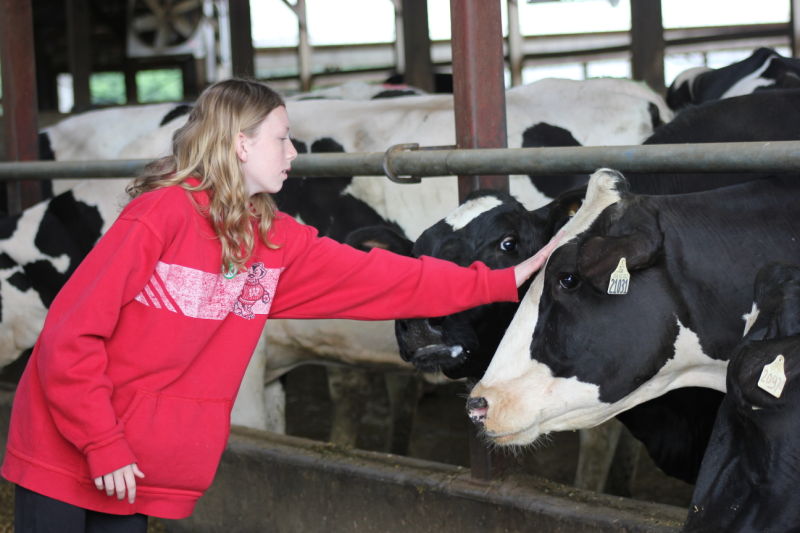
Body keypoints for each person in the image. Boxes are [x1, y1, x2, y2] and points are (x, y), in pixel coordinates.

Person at [2, 78, 557, 533]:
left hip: (132, 458)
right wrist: (102, 443)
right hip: (67, 446)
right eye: (282, 139)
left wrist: (502, 281)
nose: (293, 153)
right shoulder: (159, 217)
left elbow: (386, 279)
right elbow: (69, 338)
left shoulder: (273, 241)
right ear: (241, 144)